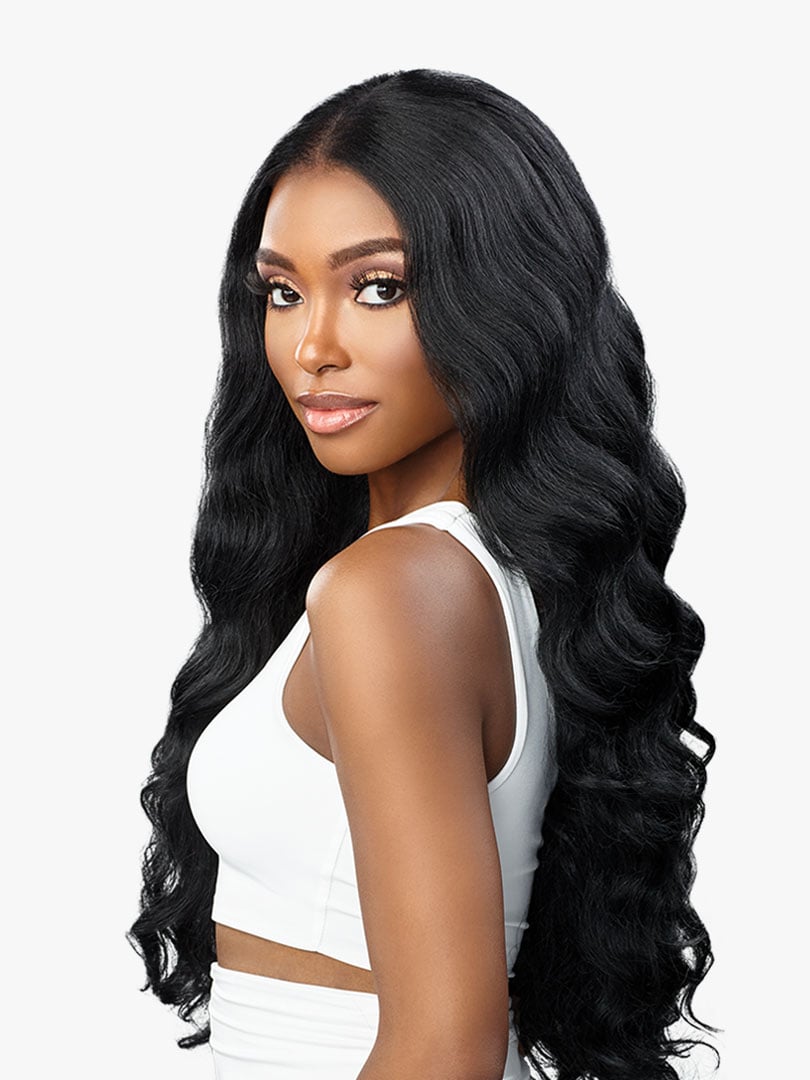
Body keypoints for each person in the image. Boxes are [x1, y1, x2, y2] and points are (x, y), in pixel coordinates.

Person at [127, 68, 719, 1080]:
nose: (311, 346)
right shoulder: (500, 574)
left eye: (378, 288)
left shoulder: (393, 588)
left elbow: (445, 1047)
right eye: (282, 292)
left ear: (505, 300)